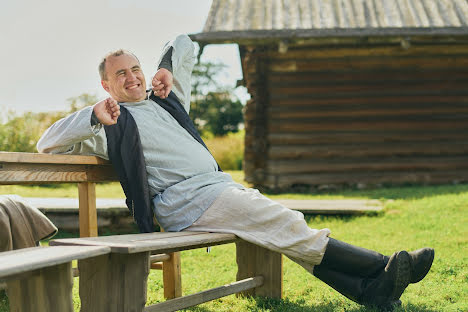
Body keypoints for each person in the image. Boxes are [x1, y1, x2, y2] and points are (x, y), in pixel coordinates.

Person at [37, 34, 434, 311]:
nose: (132, 77)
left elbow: (186, 43)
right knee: (285, 222)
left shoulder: (166, 102)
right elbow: (47, 143)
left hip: (218, 190)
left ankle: (371, 291)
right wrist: (92, 114)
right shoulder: (110, 121)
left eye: (135, 68)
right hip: (187, 203)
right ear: (106, 84)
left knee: (282, 230)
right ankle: (381, 266)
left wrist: (165, 71)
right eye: (120, 74)